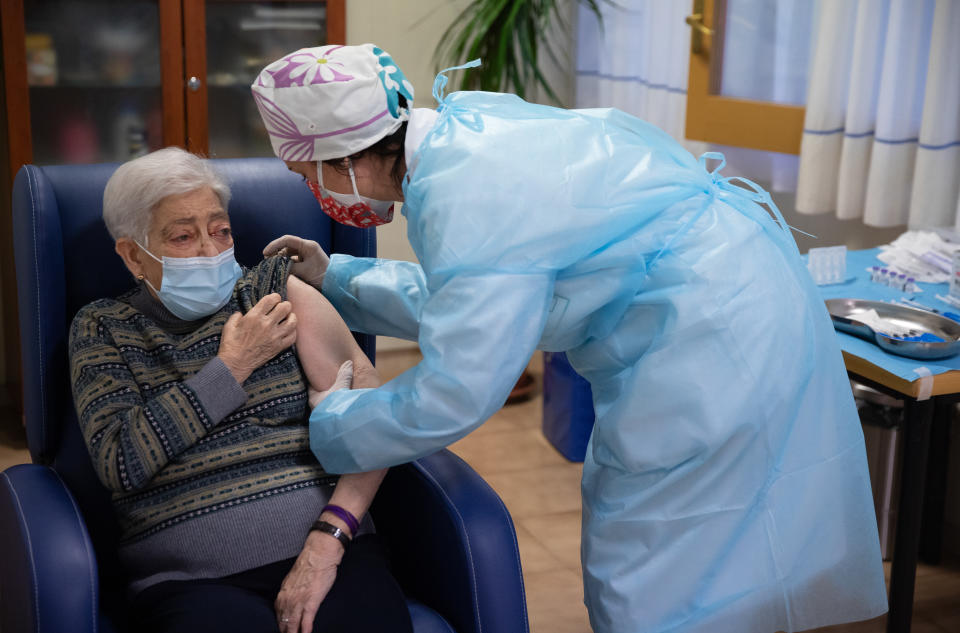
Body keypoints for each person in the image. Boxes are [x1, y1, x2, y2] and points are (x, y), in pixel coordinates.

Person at [252, 44, 888, 633]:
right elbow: (480, 303)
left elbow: (458, 387)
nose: (313, 192)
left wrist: (336, 422)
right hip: (729, 301)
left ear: (344, 157)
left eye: (308, 173)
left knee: (655, 562)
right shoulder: (461, 137)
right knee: (724, 548)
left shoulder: (465, 189)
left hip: (708, 343)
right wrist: (340, 276)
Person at [68, 147, 413, 633]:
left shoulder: (273, 292)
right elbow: (122, 461)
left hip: (328, 548)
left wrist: (331, 537)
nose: (211, 251)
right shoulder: (103, 328)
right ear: (132, 255)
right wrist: (231, 366)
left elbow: (368, 411)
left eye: (221, 230)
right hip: (193, 583)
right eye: (183, 236)